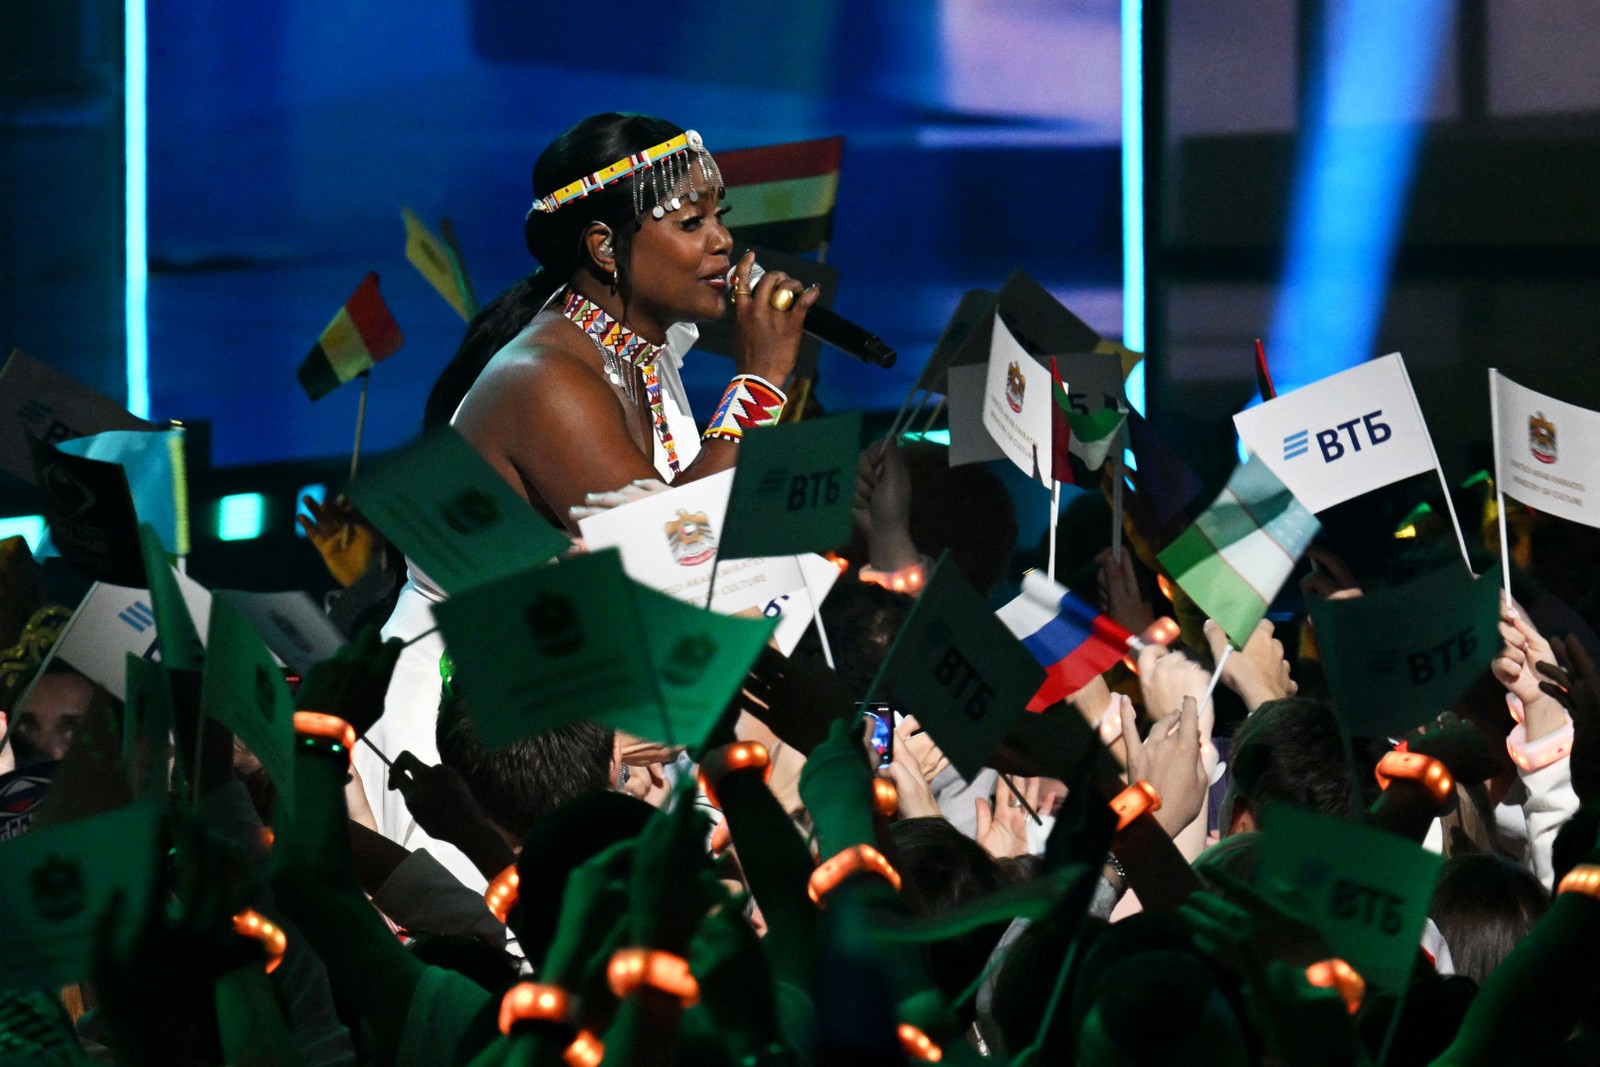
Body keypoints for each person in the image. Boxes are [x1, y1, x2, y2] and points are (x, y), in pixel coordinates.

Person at [359, 113, 821, 874]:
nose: (723, 244)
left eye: (720, 218)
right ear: (605, 247)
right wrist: (759, 381)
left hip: (572, 705)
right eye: (692, 221)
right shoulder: (546, 380)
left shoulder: (637, 353)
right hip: (481, 734)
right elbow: (677, 562)